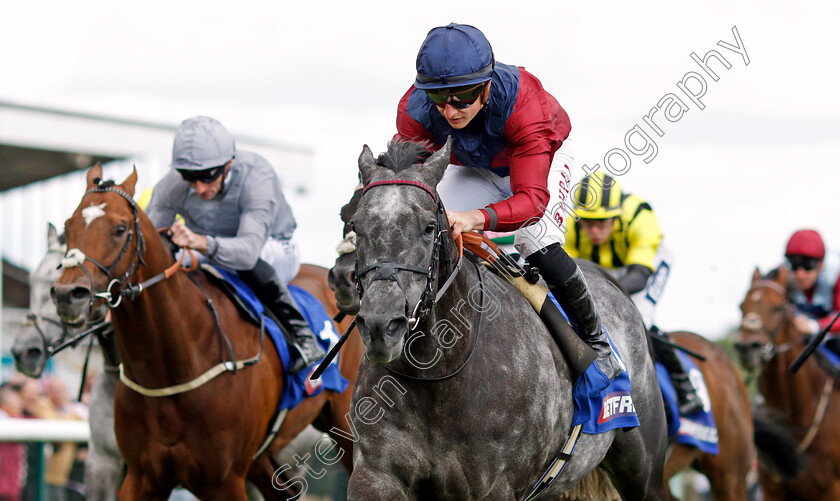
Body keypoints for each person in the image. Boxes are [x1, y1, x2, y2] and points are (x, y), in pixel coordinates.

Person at [395, 23, 620, 381]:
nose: (450, 112)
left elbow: (531, 202)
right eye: (439, 99)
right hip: (473, 165)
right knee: (422, 225)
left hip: (538, 159)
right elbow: (406, 184)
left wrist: (474, 218)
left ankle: (597, 342)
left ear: (486, 86)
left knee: (535, 240)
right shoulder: (413, 109)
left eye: (463, 97)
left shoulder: (525, 104)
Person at [145, 116, 325, 373]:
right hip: (208, 249)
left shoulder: (257, 176)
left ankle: (302, 337)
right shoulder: (173, 183)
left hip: (271, 248)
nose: (199, 188)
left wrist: (198, 241)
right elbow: (152, 240)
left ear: (228, 164)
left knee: (247, 261)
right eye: (189, 177)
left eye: (207, 176)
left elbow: (247, 254)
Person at [564, 171, 703, 416]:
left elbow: (639, 277)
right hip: (602, 269)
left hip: (644, 266)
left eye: (603, 223)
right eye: (588, 223)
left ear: (617, 217)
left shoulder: (641, 217)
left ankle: (685, 386)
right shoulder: (571, 225)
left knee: (641, 316)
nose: (594, 230)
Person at [783, 229, 840, 356]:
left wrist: (815, 326)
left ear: (820, 265)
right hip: (802, 336)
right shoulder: (782, 275)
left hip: (834, 335)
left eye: (808, 265)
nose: (800, 274)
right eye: (794, 265)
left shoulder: (836, 273)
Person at [0, 384, 25, 501]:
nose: (20, 409)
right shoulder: (6, 422)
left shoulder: (17, 423)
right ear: (4, 406)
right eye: (17, 405)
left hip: (11, 487)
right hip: (4, 489)